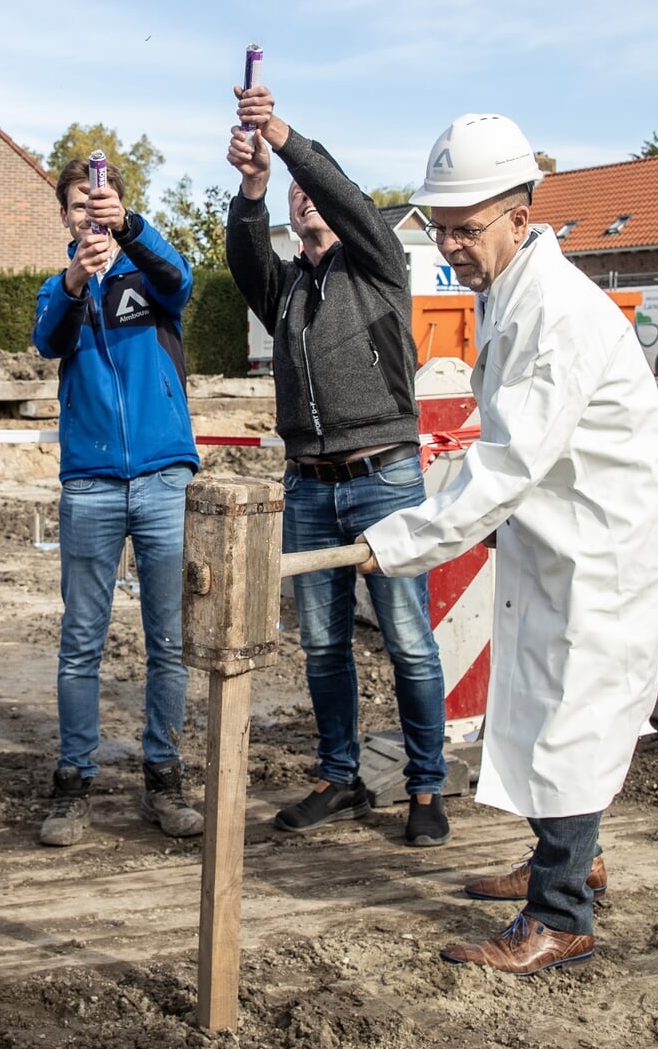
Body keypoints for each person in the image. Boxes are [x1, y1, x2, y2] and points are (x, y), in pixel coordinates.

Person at [357, 113, 658, 975]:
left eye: (465, 228)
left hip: (603, 546)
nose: (449, 245)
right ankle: (569, 861)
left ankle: (560, 916)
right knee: (543, 702)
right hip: (560, 527)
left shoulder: (558, 313)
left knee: (572, 715)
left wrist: (399, 539)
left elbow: (506, 462)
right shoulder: (508, 291)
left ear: (520, 215)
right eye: (441, 227)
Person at [223, 83, 453, 847]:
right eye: (293, 195)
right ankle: (339, 777)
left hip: (385, 479)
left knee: (408, 640)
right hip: (309, 488)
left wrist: (281, 138)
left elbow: (343, 192)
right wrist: (253, 187)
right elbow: (243, 254)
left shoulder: (379, 262)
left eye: (308, 187)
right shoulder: (286, 289)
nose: (303, 196)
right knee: (322, 645)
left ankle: (426, 786)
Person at [31, 156, 203, 847]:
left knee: (169, 641)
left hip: (163, 479)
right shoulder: (59, 289)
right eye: (79, 205)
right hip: (91, 484)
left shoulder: (147, 274)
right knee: (81, 642)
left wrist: (130, 229)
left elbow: (181, 280)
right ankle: (74, 781)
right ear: (65, 217)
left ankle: (164, 776)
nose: (89, 215)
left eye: (100, 203)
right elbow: (48, 340)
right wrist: (75, 281)